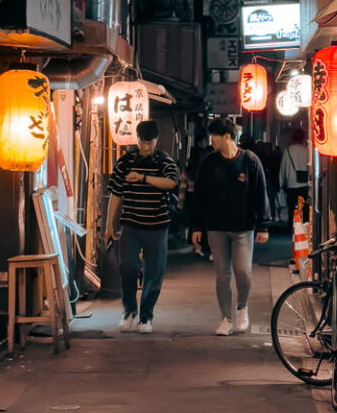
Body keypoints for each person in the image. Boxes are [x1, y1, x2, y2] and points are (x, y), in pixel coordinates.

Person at [188, 115, 271, 335]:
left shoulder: (250, 160)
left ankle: (242, 307)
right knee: (222, 275)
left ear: (227, 136)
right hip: (216, 227)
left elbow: (260, 193)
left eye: (214, 136)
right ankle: (225, 319)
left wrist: (263, 225)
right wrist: (196, 226)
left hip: (243, 228)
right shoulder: (209, 162)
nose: (211, 140)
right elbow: (200, 196)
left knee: (243, 271)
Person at [105, 117, 183, 331]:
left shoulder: (165, 162)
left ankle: (146, 317)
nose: (146, 146)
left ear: (156, 140)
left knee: (154, 272)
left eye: (149, 142)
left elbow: (171, 182)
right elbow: (115, 194)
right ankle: (129, 311)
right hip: (130, 224)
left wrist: (143, 178)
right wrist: (109, 225)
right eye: (142, 142)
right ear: (137, 139)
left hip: (157, 226)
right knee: (127, 266)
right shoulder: (124, 162)